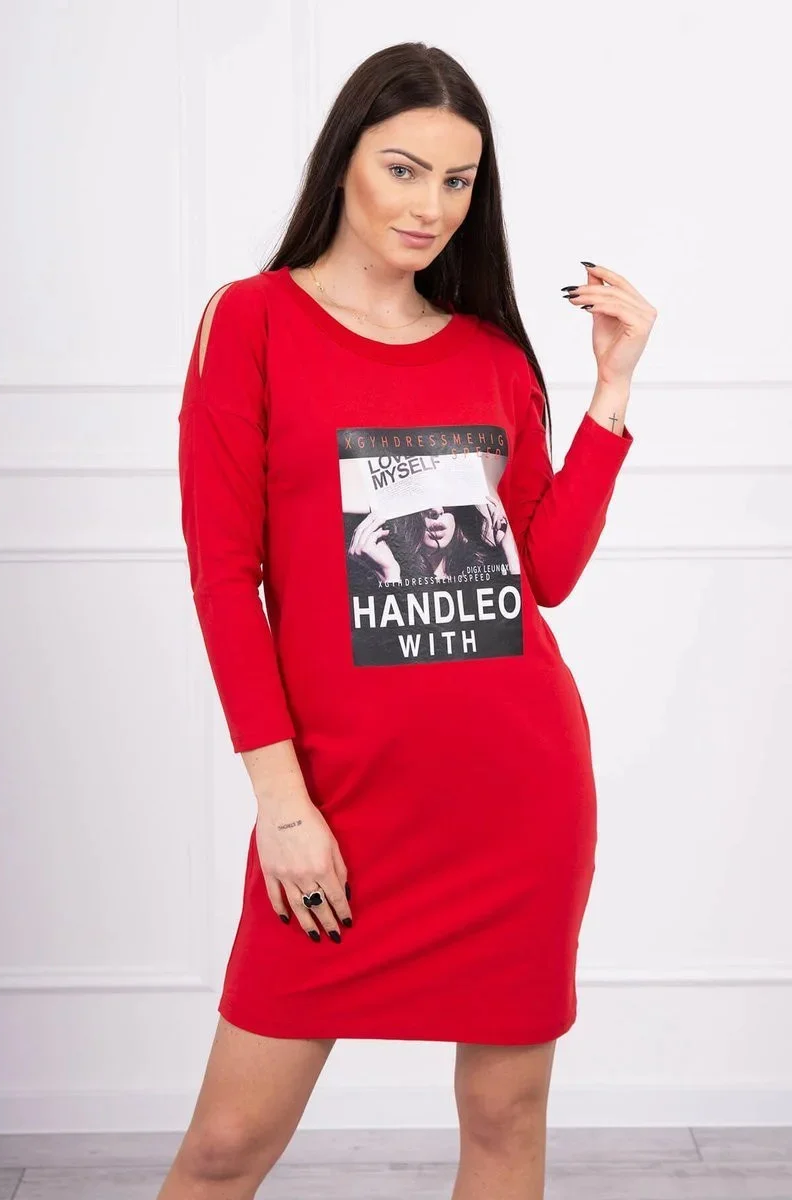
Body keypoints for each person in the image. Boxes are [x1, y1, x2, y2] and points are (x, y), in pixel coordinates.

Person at [158, 39, 657, 1200]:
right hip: (334, 802)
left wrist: (610, 394)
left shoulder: (487, 354)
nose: (429, 206)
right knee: (226, 1146)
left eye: (456, 181)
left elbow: (544, 573)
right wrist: (283, 808)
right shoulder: (251, 323)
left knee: (502, 1120)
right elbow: (225, 579)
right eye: (402, 169)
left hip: (512, 798)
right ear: (342, 162)